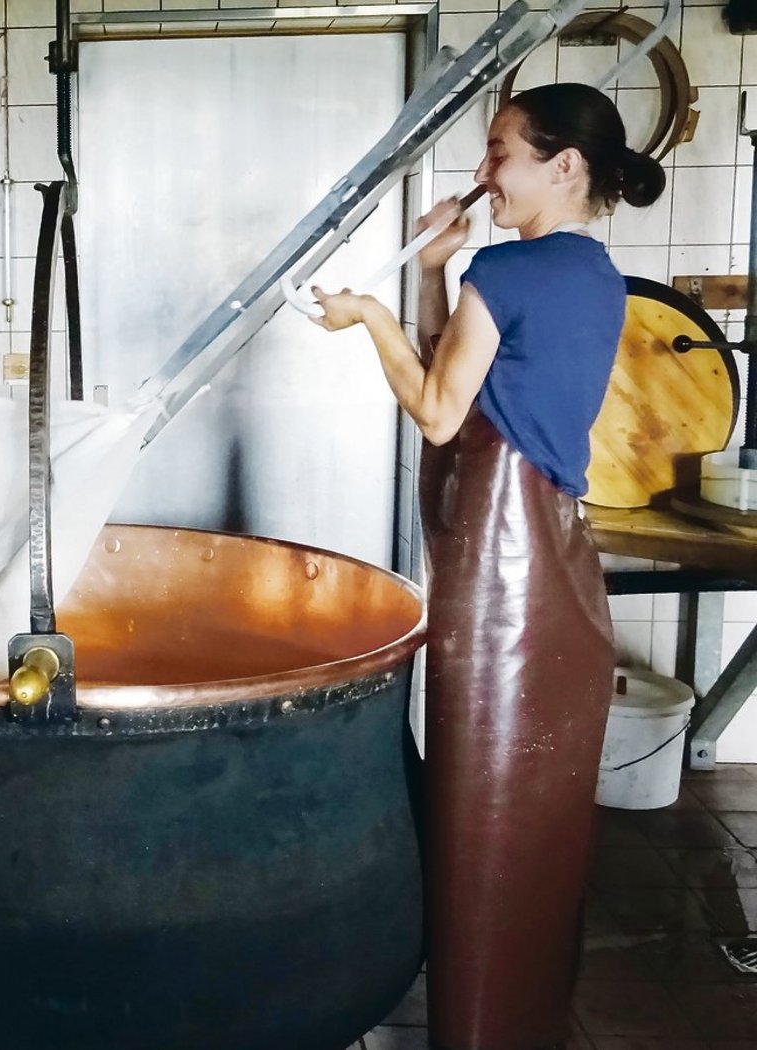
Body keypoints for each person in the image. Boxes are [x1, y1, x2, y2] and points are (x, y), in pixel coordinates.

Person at [312, 84, 665, 1049]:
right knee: (515, 806)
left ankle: (481, 1024)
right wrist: (433, 271)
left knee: (489, 800)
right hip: (546, 561)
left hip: (507, 577)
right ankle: (516, 1014)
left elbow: (434, 409)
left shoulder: (507, 274)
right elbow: (473, 387)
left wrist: (373, 317)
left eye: (499, 153)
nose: (482, 174)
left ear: (564, 165)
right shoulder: (586, 271)